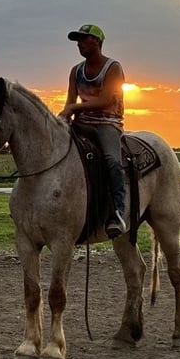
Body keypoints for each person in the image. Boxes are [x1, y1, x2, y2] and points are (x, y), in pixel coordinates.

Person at [58, 24, 127, 238]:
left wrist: (73, 108)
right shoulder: (76, 71)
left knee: (112, 161)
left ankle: (117, 211)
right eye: (77, 40)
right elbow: (70, 99)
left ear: (97, 41)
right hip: (82, 122)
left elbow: (106, 99)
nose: (79, 44)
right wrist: (64, 117)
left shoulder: (113, 68)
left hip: (108, 123)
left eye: (83, 39)